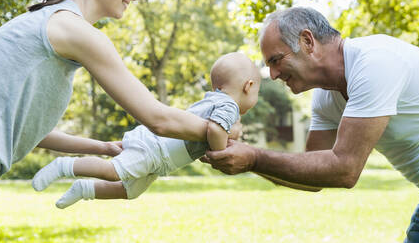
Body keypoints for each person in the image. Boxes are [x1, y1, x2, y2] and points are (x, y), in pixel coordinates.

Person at [0, 0, 234, 242]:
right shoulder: (76, 31)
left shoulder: (47, 24)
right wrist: (220, 127)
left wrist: (102, 148)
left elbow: (25, 130)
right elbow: (158, 118)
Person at [202, 7, 419, 242]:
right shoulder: (326, 97)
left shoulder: (375, 62)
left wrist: (254, 158)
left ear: (307, 41)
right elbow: (313, 177)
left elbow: (345, 169)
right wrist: (244, 159)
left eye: (275, 60)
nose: (273, 74)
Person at [31, 52, 260, 208]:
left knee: (130, 191)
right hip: (155, 148)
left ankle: (85, 189)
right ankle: (63, 166)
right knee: (114, 172)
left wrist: (229, 132)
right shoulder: (229, 105)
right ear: (248, 87)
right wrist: (221, 152)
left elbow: (216, 129)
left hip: (161, 157)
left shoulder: (217, 100)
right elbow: (215, 131)